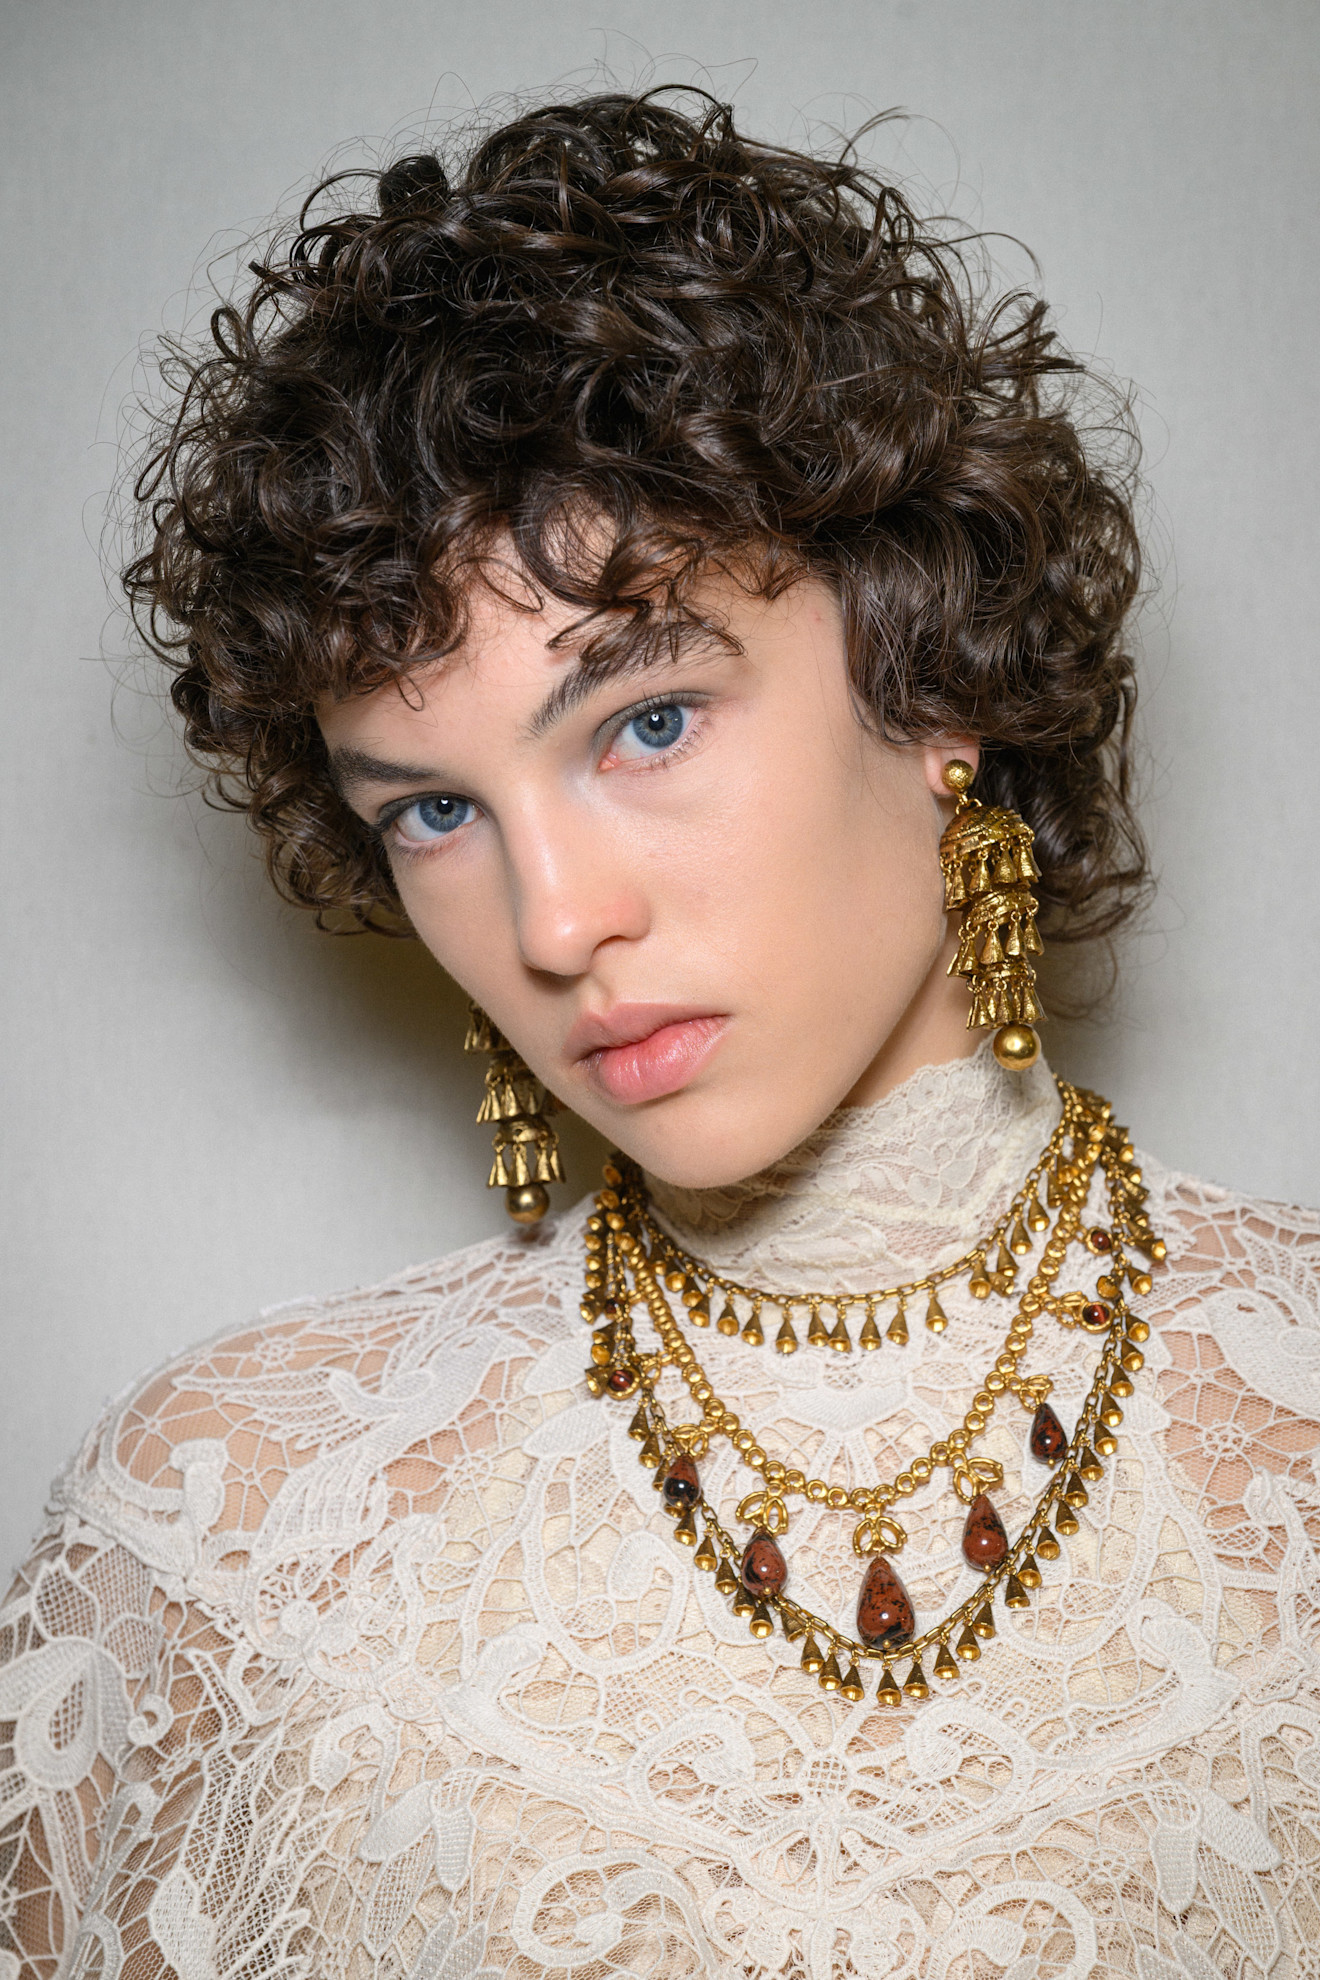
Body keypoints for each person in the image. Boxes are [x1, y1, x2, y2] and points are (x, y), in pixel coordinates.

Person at [2, 88, 1316, 1979]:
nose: (553, 925)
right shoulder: (221, 1539)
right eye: (431, 811)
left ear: (931, 667)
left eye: (644, 724)